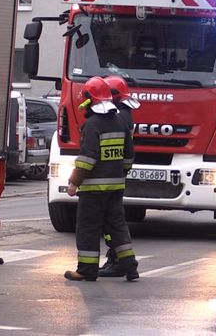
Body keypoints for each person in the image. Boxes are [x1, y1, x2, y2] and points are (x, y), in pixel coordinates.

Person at [64, 76, 139, 282]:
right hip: (116, 187)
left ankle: (87, 269)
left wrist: (74, 182)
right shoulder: (121, 122)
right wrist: (119, 173)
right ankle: (130, 266)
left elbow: (87, 158)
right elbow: (129, 154)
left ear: (90, 99)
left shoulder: (92, 125)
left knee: (88, 227)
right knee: (117, 226)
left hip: (92, 190)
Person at [98, 75, 140, 277]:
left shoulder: (119, 116)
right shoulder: (126, 113)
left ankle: (118, 261)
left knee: (111, 222)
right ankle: (121, 261)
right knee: (113, 220)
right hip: (116, 174)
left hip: (108, 176)